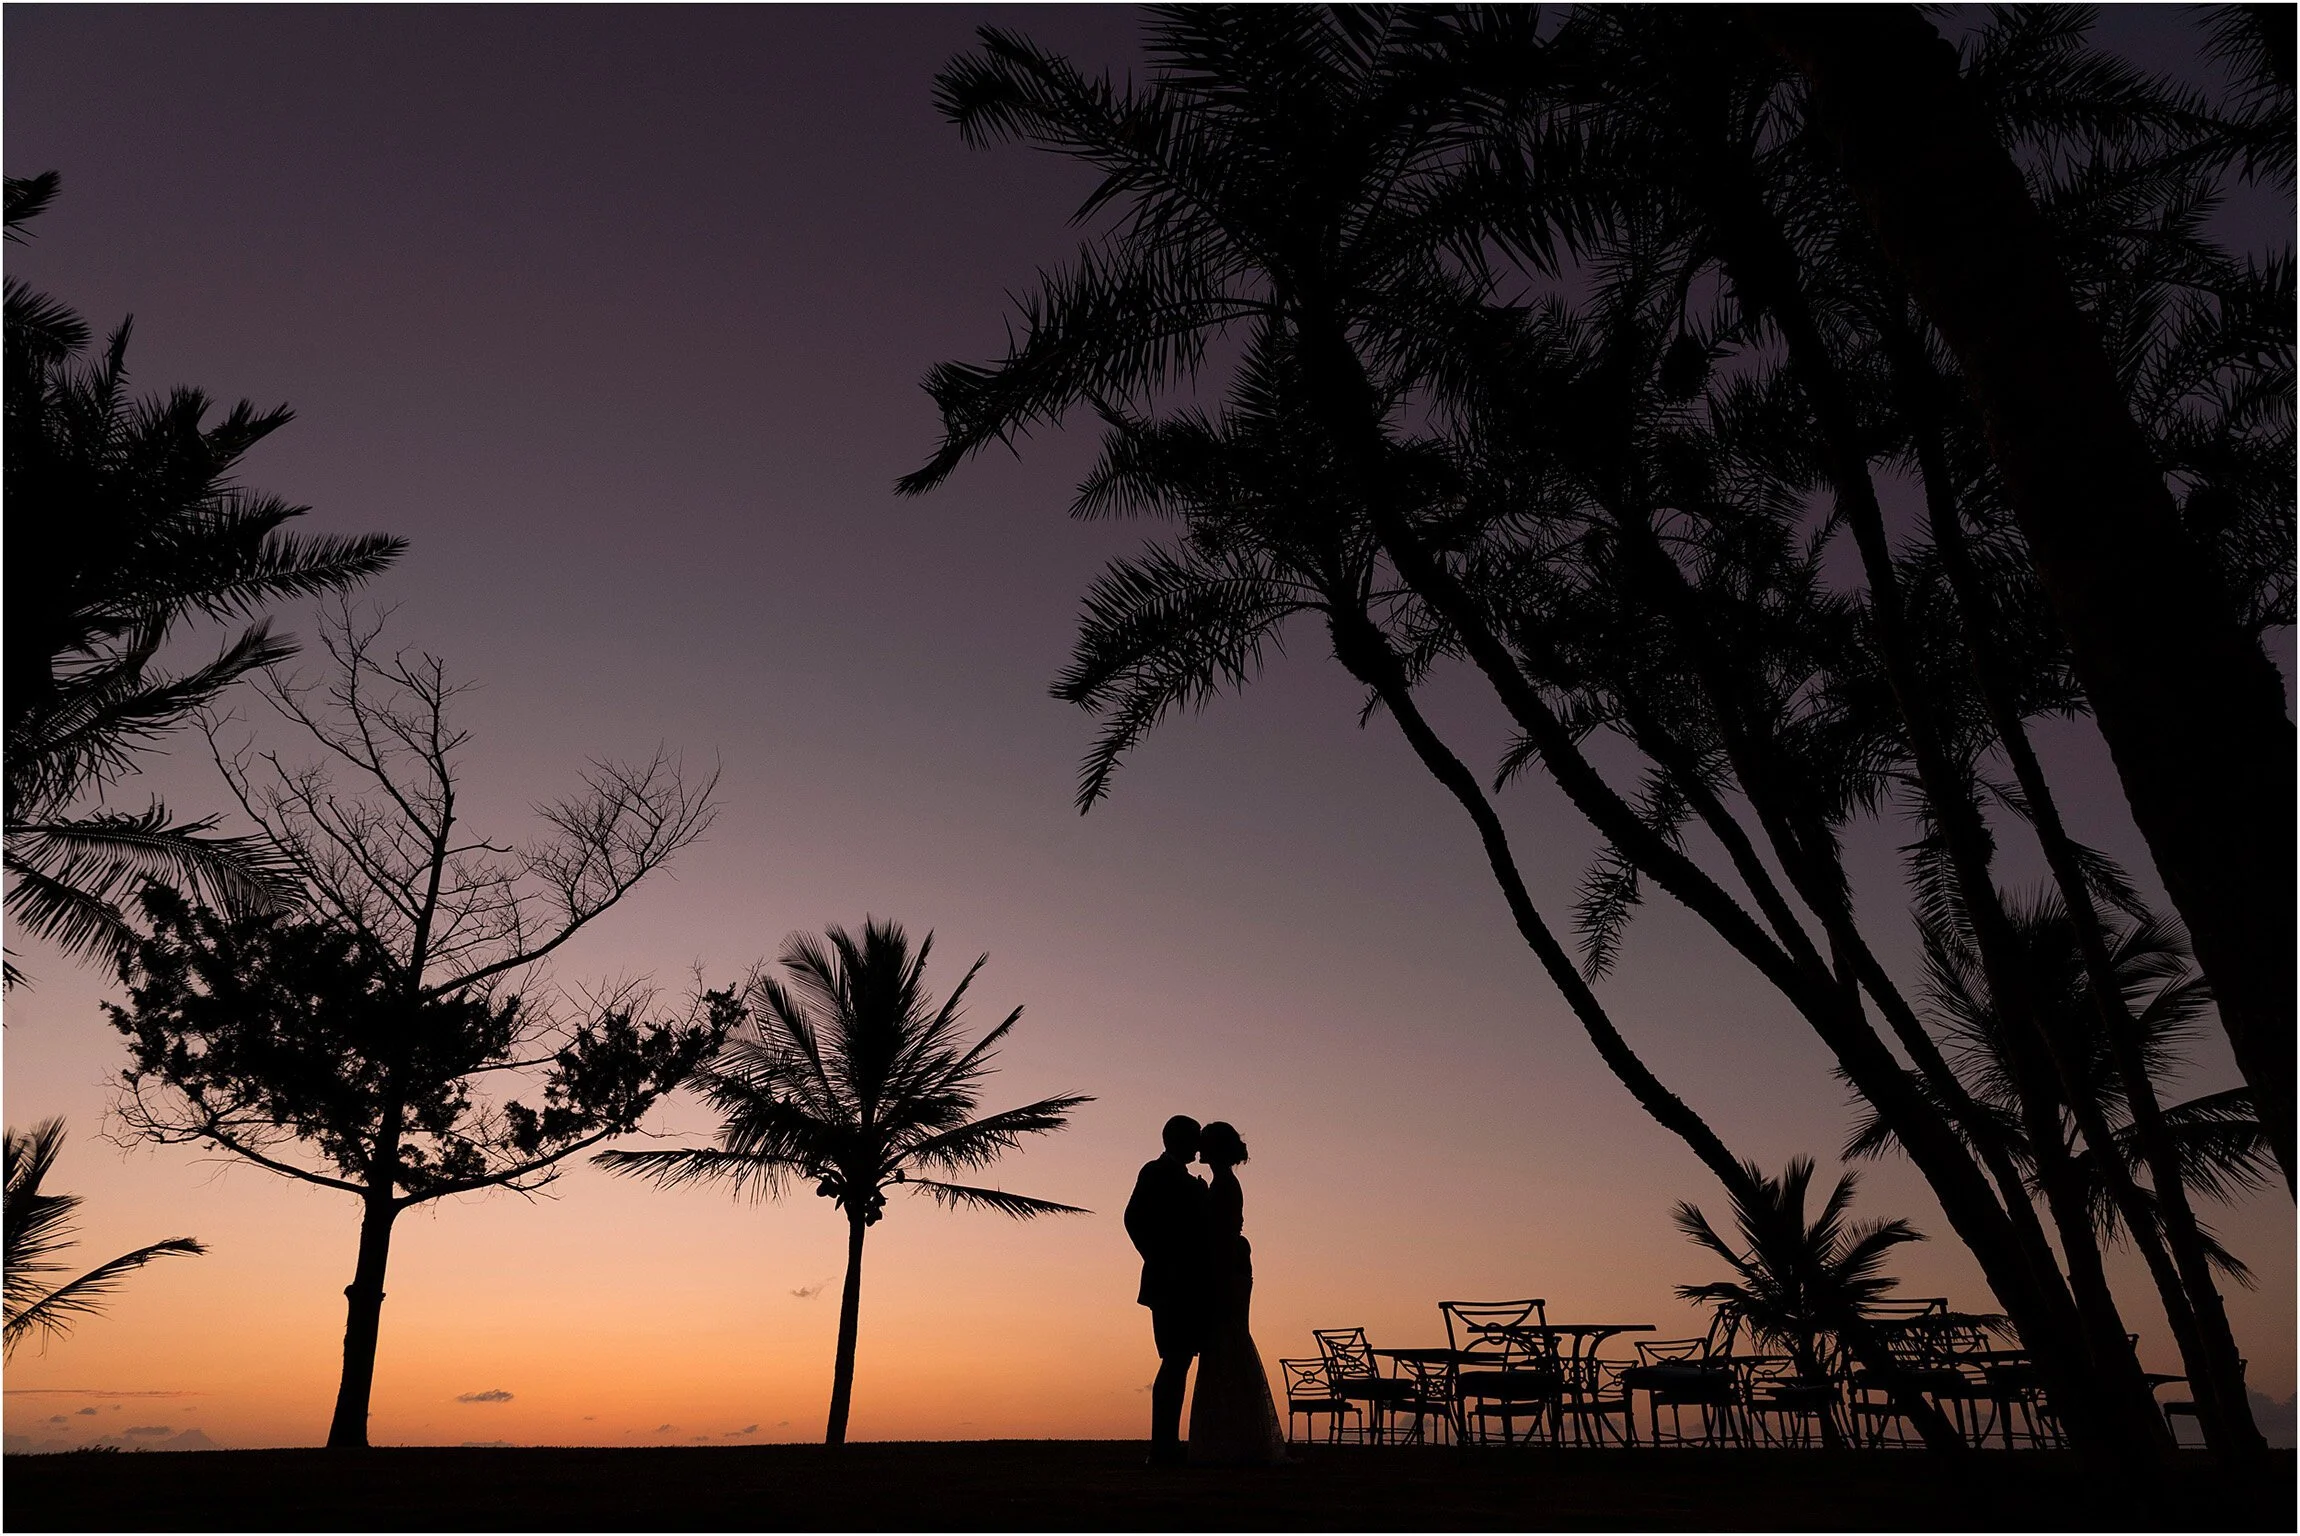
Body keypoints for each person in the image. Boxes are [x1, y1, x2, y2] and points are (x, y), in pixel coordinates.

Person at [1186, 1121, 1287, 1465]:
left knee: (1227, 1338)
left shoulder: (1224, 1185)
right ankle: (1234, 1435)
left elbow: (1217, 1230)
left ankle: (1233, 1437)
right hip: (1230, 1267)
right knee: (1226, 1340)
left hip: (1227, 1270)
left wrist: (1200, 1204)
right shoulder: (1223, 1184)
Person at [1124, 1114, 1210, 1467]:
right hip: (1169, 1284)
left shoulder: (1183, 1179)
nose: (1198, 1146)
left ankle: (1168, 1443)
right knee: (1174, 1361)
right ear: (1178, 1140)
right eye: (1194, 1139)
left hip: (1185, 1283)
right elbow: (1133, 1219)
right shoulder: (1155, 1172)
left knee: (1180, 1361)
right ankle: (1163, 1446)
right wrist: (1160, 1257)